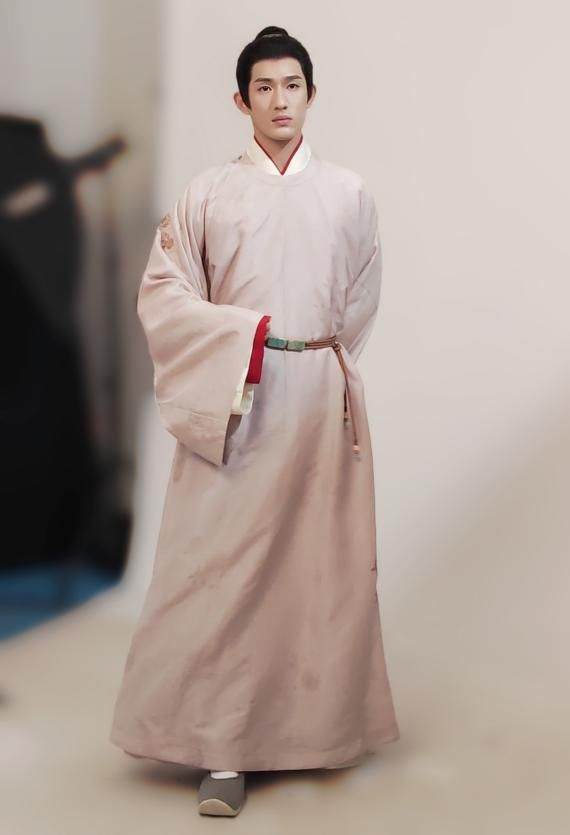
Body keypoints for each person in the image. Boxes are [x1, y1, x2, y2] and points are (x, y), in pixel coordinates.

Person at [109, 25, 400, 817]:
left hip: (318, 402)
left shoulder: (348, 193)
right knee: (224, 578)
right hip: (237, 401)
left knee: (322, 572)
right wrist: (245, 345)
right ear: (241, 100)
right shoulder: (207, 194)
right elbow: (164, 295)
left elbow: (360, 300)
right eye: (264, 87)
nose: (280, 101)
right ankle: (223, 748)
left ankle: (314, 730)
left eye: (292, 86)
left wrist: (313, 362)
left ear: (312, 94)